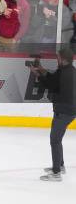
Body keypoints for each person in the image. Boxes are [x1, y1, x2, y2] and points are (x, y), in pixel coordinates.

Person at [29, 48, 76, 182]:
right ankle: (60, 166)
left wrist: (37, 74)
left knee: (54, 140)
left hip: (64, 112)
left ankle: (56, 173)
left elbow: (50, 84)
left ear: (63, 59)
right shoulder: (68, 70)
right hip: (65, 110)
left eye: (58, 58)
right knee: (57, 139)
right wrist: (41, 69)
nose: (57, 60)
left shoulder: (65, 73)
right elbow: (53, 78)